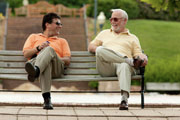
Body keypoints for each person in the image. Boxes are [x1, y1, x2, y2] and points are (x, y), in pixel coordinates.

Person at [88, 9, 148, 110]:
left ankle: (124, 100)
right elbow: (91, 46)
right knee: (99, 49)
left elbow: (138, 54)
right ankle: (127, 60)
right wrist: (128, 60)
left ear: (124, 21)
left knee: (124, 65)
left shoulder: (133, 38)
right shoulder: (104, 33)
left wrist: (143, 57)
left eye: (115, 19)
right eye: (111, 19)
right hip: (107, 67)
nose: (112, 22)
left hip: (123, 68)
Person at [23, 13, 71, 110]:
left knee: (48, 50)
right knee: (46, 64)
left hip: (56, 68)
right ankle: (47, 100)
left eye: (61, 24)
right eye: (57, 23)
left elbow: (67, 60)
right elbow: (26, 54)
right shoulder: (33, 37)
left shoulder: (62, 41)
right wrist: (38, 48)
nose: (60, 26)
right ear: (47, 25)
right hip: (37, 63)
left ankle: (36, 71)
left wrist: (51, 56)